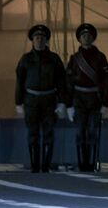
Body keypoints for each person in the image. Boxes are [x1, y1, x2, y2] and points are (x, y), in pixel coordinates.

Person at [15, 25, 69, 173]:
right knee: (32, 133)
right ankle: (34, 165)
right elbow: (20, 81)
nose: (39, 40)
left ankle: (45, 166)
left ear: (46, 40)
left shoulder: (54, 59)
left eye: (42, 38)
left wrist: (63, 102)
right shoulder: (25, 59)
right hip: (31, 101)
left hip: (49, 101)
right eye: (36, 38)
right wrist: (18, 102)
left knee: (48, 133)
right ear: (32, 41)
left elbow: (61, 82)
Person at [66, 23, 108, 172]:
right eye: (83, 36)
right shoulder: (74, 58)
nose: (86, 38)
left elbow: (105, 81)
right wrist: (68, 105)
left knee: (93, 132)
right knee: (80, 133)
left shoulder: (100, 57)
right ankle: (82, 163)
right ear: (79, 39)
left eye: (89, 36)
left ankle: (91, 164)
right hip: (78, 99)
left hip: (95, 98)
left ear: (93, 38)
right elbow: (69, 82)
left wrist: (105, 103)